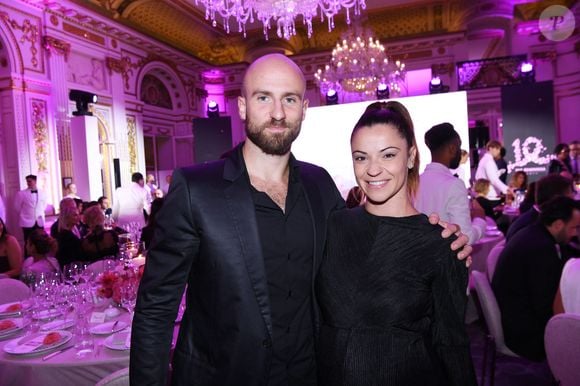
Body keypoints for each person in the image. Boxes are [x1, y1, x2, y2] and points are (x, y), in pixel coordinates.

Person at [130, 54, 471, 386]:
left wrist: (440, 240)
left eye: (289, 99)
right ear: (243, 106)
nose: (277, 113)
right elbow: (156, 310)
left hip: (311, 374)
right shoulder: (196, 189)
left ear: (304, 110)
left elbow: (369, 239)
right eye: (264, 97)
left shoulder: (319, 185)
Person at [316, 101, 476, 386]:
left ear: (411, 156)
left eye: (388, 155)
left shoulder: (441, 244)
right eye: (361, 157)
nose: (373, 170)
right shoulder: (334, 226)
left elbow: (452, 346)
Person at [492, 196, 580, 361]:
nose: (576, 233)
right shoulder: (541, 249)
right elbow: (546, 307)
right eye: (575, 228)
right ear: (558, 224)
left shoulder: (534, 232)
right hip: (526, 335)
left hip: (516, 319)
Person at [416, 122, 486, 243]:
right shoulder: (454, 184)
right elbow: (465, 237)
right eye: (459, 147)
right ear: (452, 148)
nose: (460, 151)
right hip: (443, 258)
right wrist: (480, 219)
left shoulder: (415, 181)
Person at [506, 174, 574, 241]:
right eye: (570, 194)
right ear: (556, 198)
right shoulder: (536, 227)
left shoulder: (531, 218)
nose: (573, 198)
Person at [13, 174, 48, 244]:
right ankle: (28, 255)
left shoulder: (43, 193)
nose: (28, 183)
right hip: (26, 222)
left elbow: (44, 205)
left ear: (35, 181)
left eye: (30, 181)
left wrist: (38, 212)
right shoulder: (21, 194)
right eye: (27, 181)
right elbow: (16, 207)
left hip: (39, 221)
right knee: (28, 241)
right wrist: (26, 214)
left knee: (40, 241)